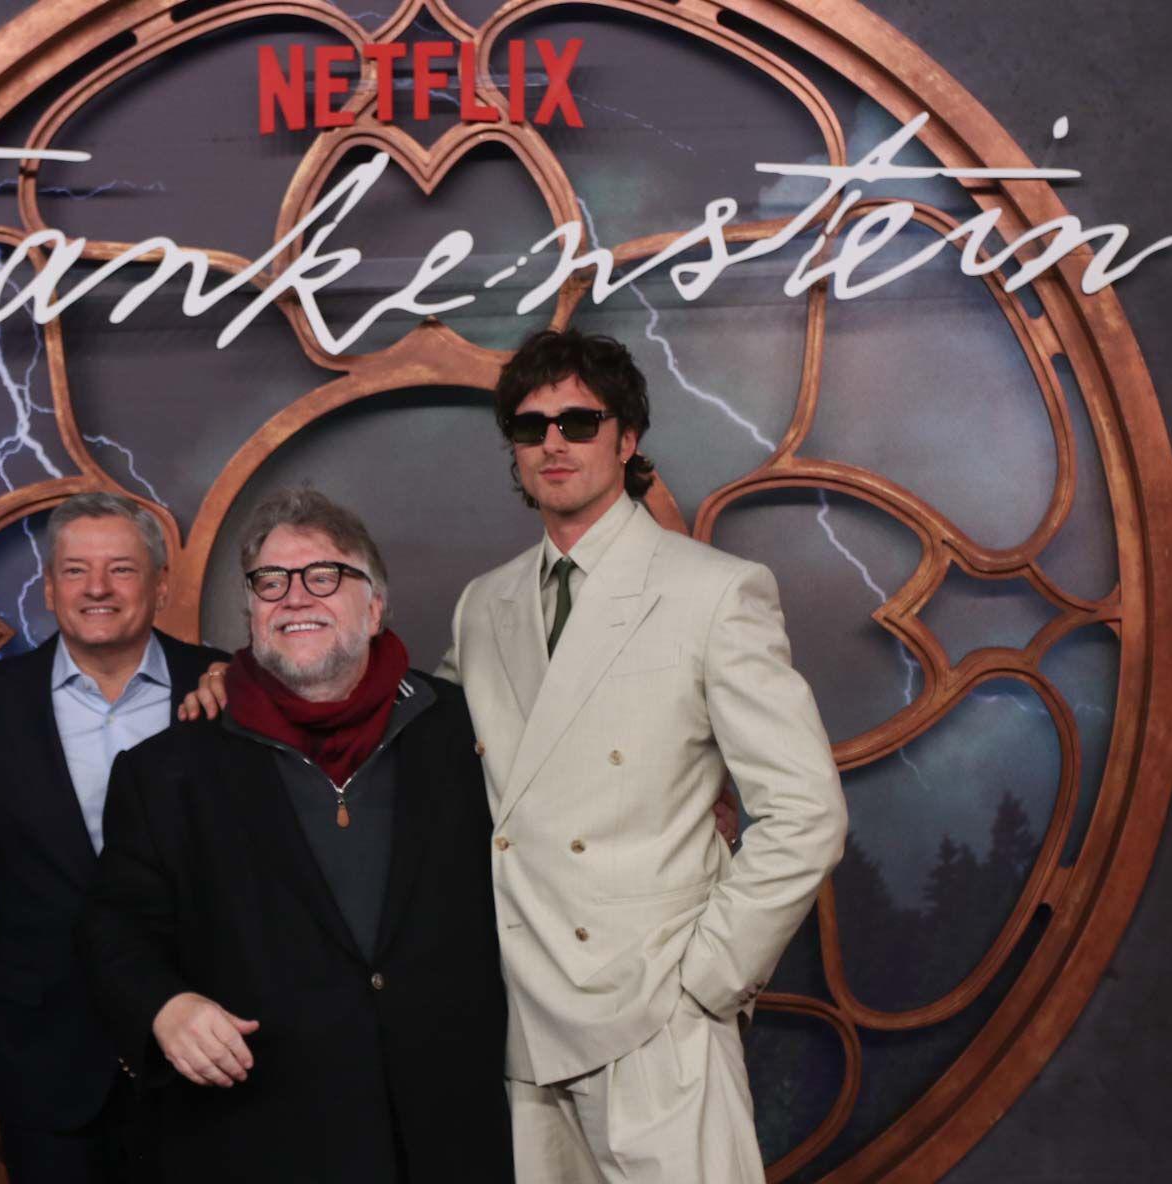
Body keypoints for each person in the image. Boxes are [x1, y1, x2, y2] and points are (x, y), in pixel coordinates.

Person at [441, 327, 848, 1183]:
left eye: (579, 422)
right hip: (522, 1019)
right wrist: (234, 680)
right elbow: (414, 741)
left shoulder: (714, 591)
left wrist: (708, 981)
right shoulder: (485, 604)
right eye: (530, 426)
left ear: (627, 440)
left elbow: (807, 812)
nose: (553, 443)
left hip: (658, 1020)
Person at [78, 488, 513, 1184]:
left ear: (375, 607)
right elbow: (114, 929)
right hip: (261, 1136)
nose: (295, 597)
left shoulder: (466, 731)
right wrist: (164, 1006)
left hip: (450, 1132)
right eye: (271, 582)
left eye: (324, 576)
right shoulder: (166, 771)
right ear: (251, 613)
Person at [0, 492, 225, 1183]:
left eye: (121, 569)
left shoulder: (230, 692)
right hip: (48, 1064)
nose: (97, 588)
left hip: (203, 1055)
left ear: (161, 585)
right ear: (49, 588)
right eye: (75, 570)